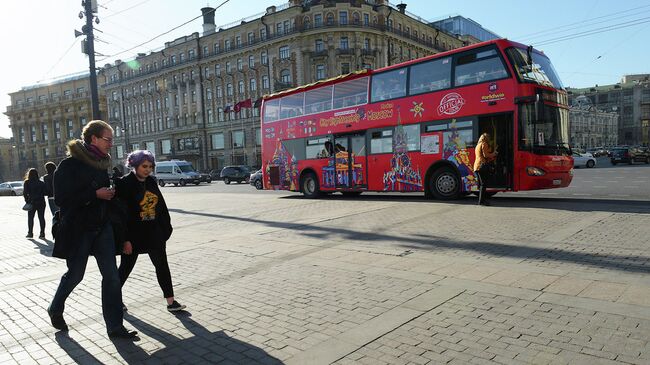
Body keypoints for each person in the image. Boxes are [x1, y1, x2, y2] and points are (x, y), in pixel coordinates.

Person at [48, 120, 137, 339]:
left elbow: (109, 192)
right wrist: (94, 194)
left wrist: (112, 192)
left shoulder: (103, 164)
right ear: (93, 139)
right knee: (76, 275)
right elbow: (61, 199)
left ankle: (115, 327)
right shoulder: (69, 165)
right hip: (79, 229)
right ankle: (55, 307)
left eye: (111, 139)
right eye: (108, 139)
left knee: (112, 277)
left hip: (103, 227)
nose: (111, 143)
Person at [115, 150, 186, 313]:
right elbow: (120, 215)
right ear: (134, 165)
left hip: (153, 233)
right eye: (144, 166)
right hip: (133, 235)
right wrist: (124, 239)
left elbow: (161, 206)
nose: (147, 169)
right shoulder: (124, 184)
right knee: (126, 268)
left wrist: (165, 229)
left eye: (150, 166)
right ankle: (116, 300)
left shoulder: (152, 182)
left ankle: (171, 302)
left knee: (162, 266)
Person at [473, 133, 498, 206]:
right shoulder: (484, 144)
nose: (489, 139)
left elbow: (482, 156)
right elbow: (485, 155)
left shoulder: (478, 145)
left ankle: (481, 201)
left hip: (477, 166)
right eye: (488, 137)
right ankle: (482, 201)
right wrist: (494, 153)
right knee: (483, 185)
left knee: (481, 185)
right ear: (486, 138)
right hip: (481, 166)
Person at [23, 168, 46, 239]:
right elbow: (45, 192)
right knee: (41, 218)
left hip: (31, 202)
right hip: (41, 202)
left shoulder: (27, 182)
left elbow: (25, 193)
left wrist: (27, 201)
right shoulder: (41, 183)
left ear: (29, 174)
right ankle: (42, 233)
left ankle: (30, 233)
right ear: (37, 174)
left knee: (30, 218)